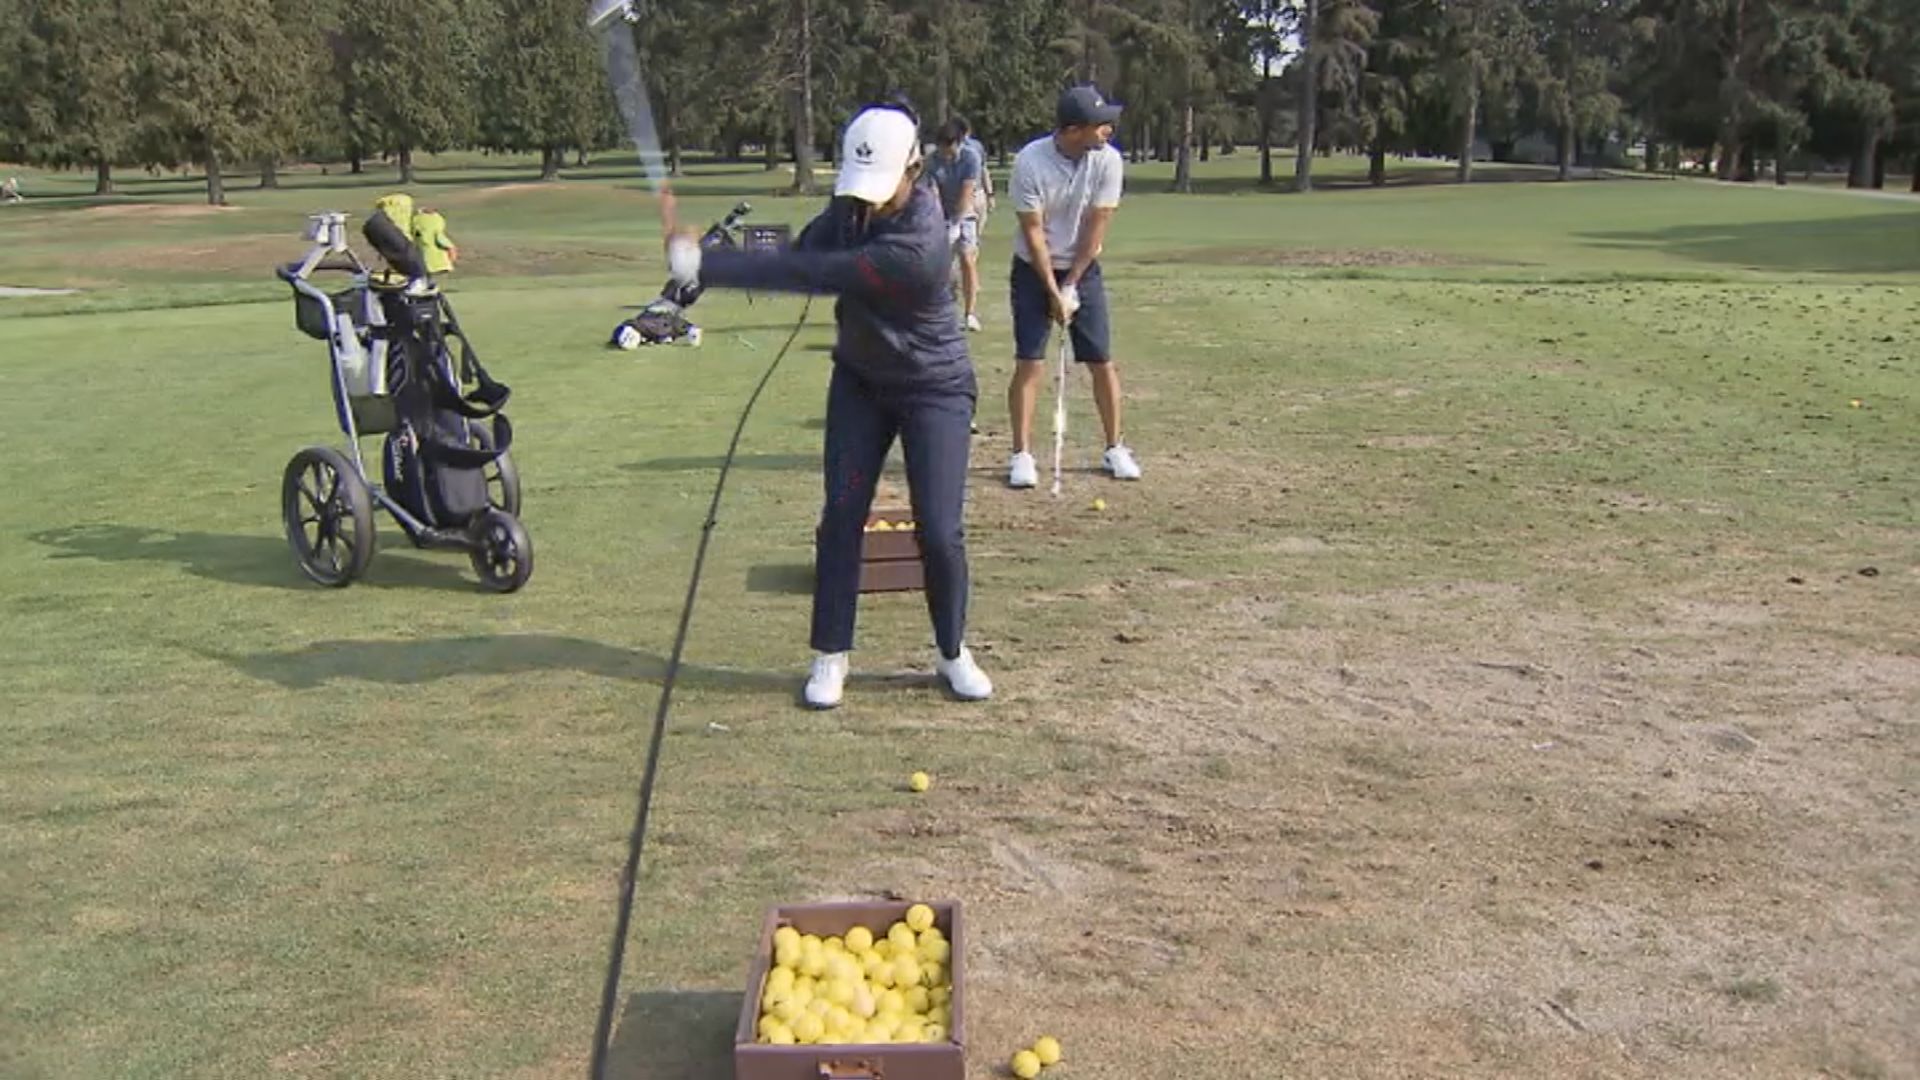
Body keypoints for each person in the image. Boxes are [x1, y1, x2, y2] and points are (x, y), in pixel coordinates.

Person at [657, 102, 992, 709]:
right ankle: (830, 656)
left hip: (933, 387)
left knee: (939, 531)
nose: (866, 200)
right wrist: (715, 252)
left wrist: (712, 264)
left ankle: (951, 651)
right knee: (841, 517)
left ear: (913, 168)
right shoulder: (850, 210)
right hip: (861, 382)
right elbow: (801, 247)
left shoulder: (919, 245)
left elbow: (815, 273)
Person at [1004, 85, 1140, 489]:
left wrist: (1072, 285)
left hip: (1084, 266)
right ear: (1074, 129)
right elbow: (1034, 234)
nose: (1108, 131)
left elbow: (1096, 225)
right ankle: (1022, 455)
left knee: (1101, 360)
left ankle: (1115, 446)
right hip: (1034, 269)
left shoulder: (1108, 161)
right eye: (1101, 125)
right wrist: (1051, 289)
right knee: (1031, 361)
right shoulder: (1030, 161)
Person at [926, 117, 985, 332]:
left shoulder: (971, 157)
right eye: (941, 146)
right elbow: (932, 193)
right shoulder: (932, 160)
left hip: (966, 213)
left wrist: (956, 224)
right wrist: (940, 224)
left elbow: (967, 192)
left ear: (958, 143)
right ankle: (943, 312)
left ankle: (970, 313)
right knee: (942, 266)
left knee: (967, 258)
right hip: (940, 214)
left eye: (948, 146)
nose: (944, 152)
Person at [410, 206, 459, 276]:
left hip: (422, 265)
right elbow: (449, 246)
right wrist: (451, 260)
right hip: (439, 266)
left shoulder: (418, 233)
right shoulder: (436, 232)